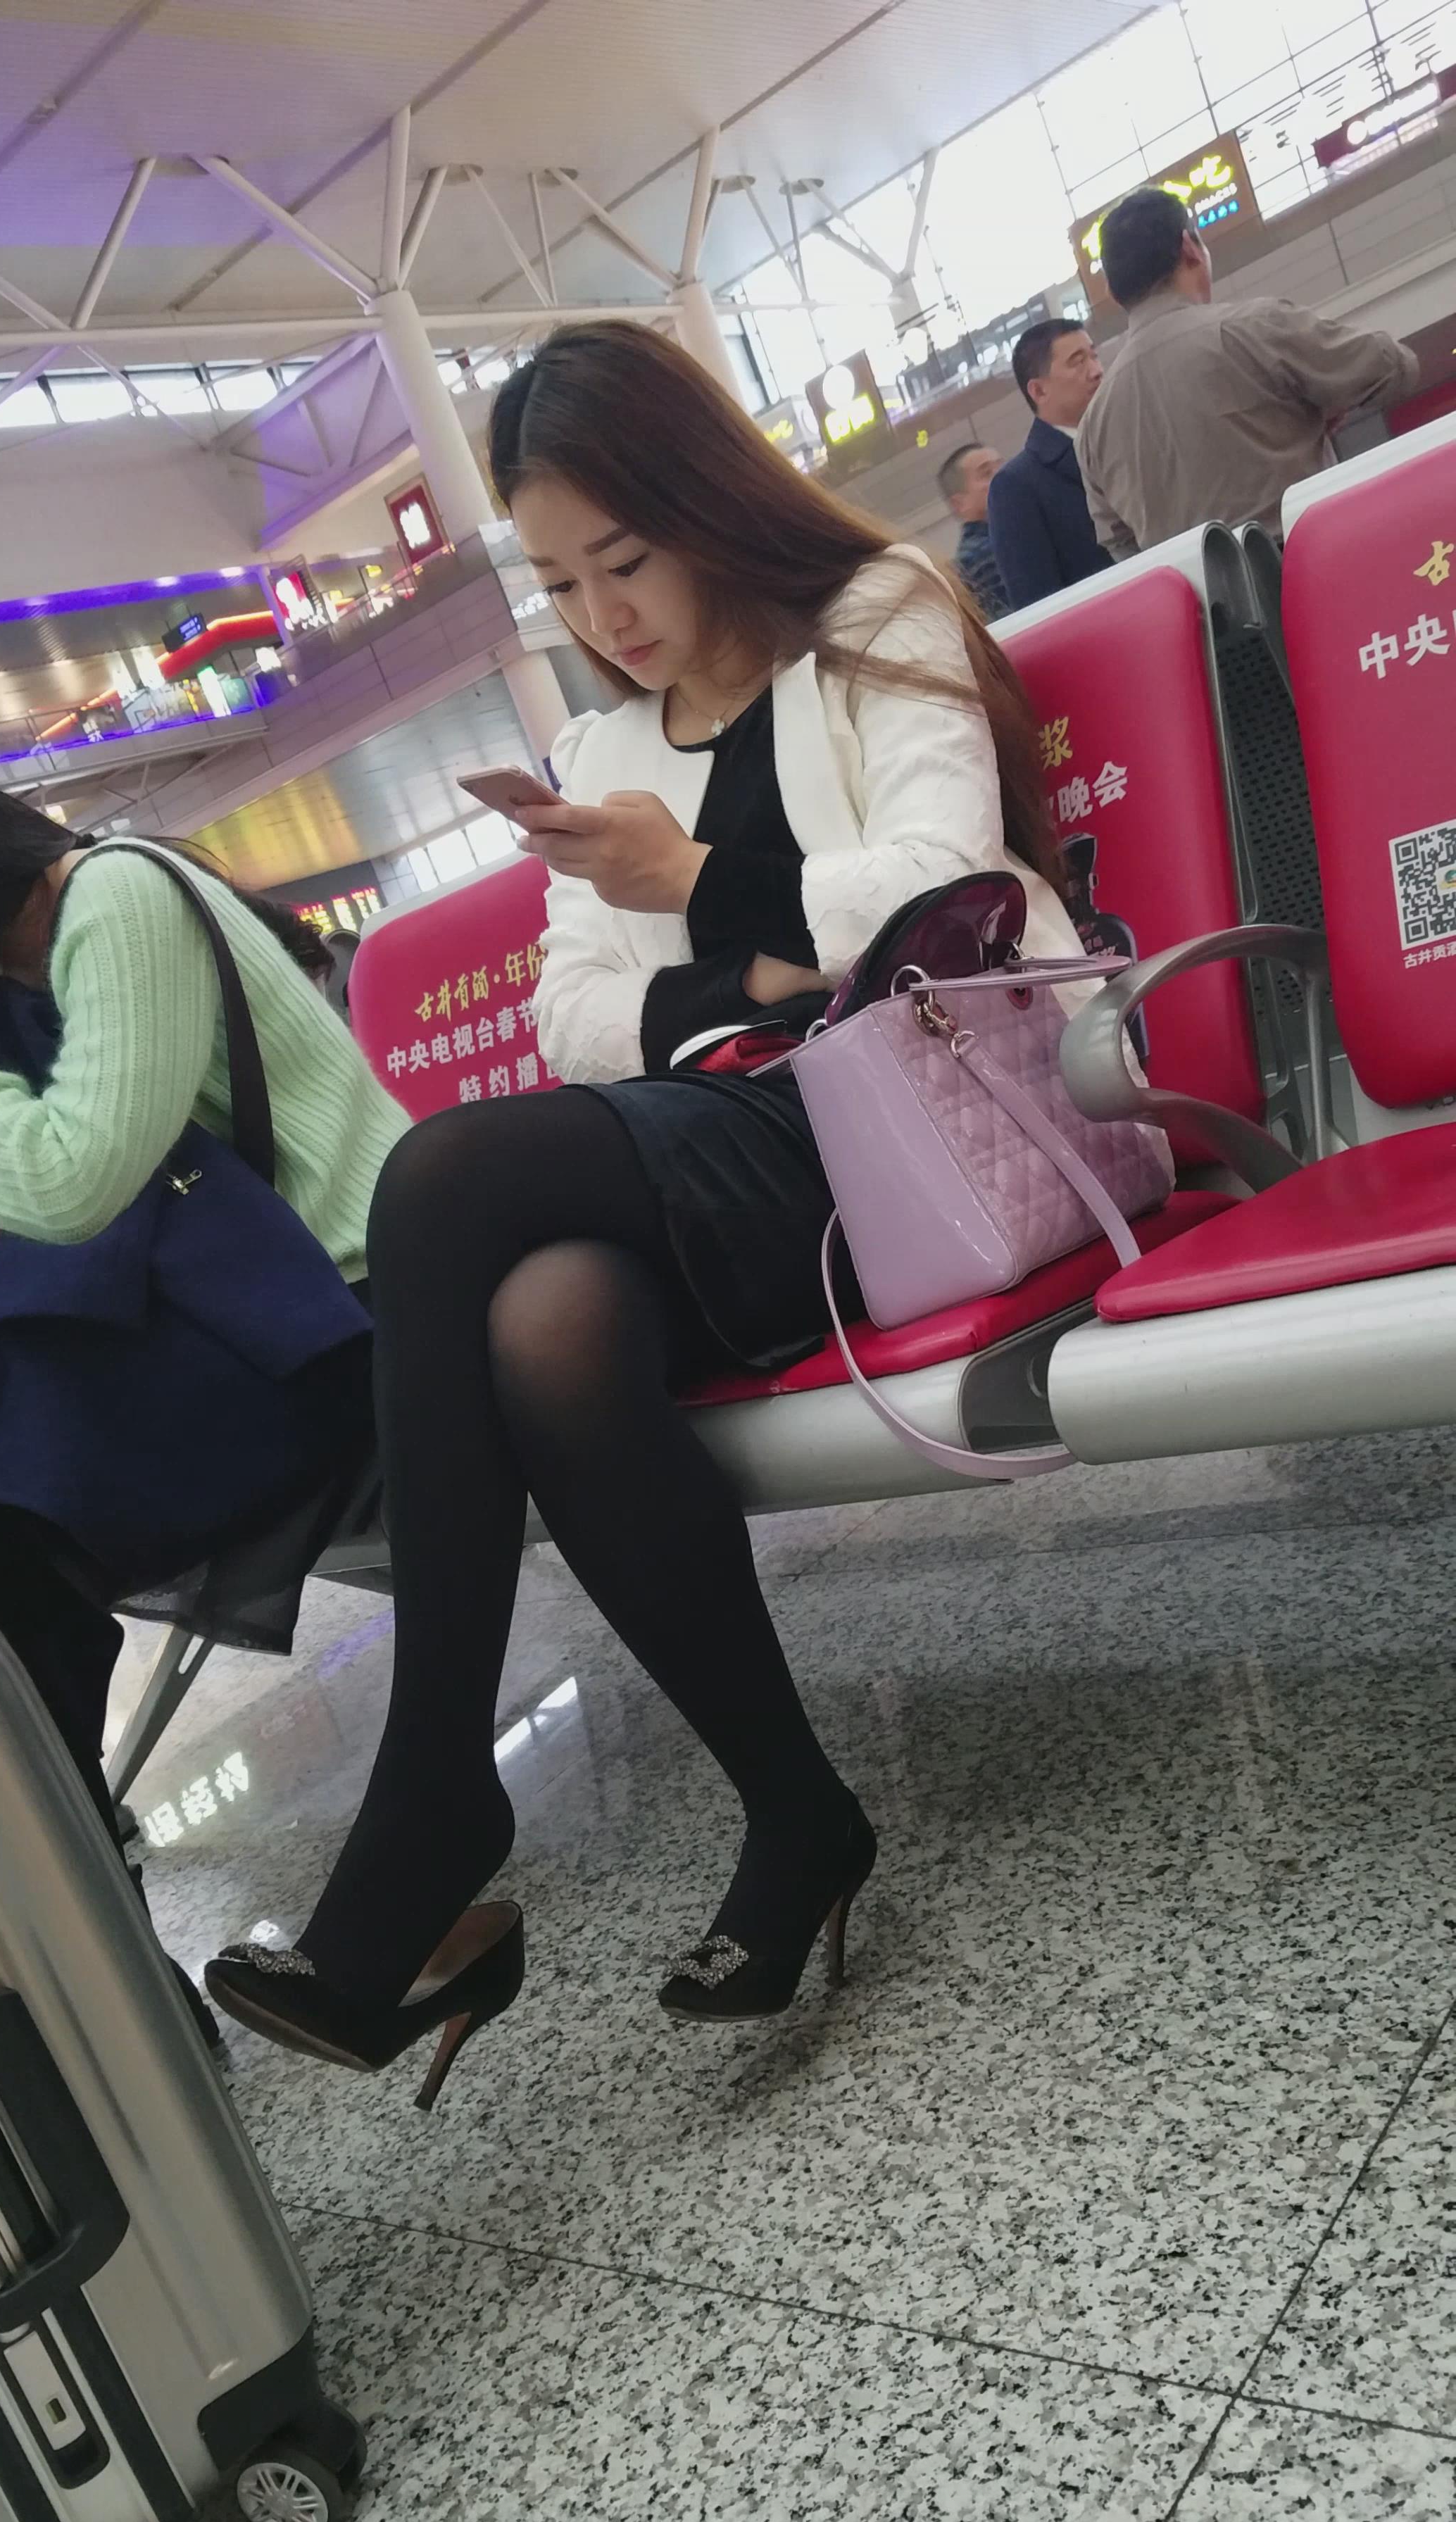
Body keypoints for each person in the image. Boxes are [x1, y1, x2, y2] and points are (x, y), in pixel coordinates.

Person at [207, 318, 1088, 2095]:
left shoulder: (880, 618)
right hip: (731, 1159)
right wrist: (753, 963)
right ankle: (793, 1807)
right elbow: (570, 1019)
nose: (601, 614)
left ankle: (436, 1805)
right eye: (558, 582)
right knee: (550, 1323)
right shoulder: (606, 740)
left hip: (918, 1126)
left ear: (702, 503)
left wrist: (686, 886)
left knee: (446, 1175)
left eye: (623, 560)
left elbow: (936, 890)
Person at [0, 773, 408, 2037]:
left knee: (1, 1528)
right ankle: (77, 1915)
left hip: (349, 1310)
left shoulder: (117, 896)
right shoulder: (14, 982)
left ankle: (91, 1946)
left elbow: (66, 1187)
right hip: (229, 1327)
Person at [1079, 188, 1419, 554]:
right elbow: (1394, 366)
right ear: (1190, 248)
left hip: (1197, 588)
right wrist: (1329, 403)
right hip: (1316, 560)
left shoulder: (1093, 427)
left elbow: (1119, 543)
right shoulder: (1258, 328)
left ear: (1112, 290)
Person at [986, 320, 1110, 610]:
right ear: (1039, 391)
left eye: (1094, 356)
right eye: (1078, 362)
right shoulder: (1017, 487)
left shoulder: (1127, 436)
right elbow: (1039, 605)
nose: (1097, 371)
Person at [936, 443, 1008, 619]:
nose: (1003, 474)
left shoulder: (1004, 537)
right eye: (987, 473)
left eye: (1001, 465)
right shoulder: (982, 556)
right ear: (959, 503)